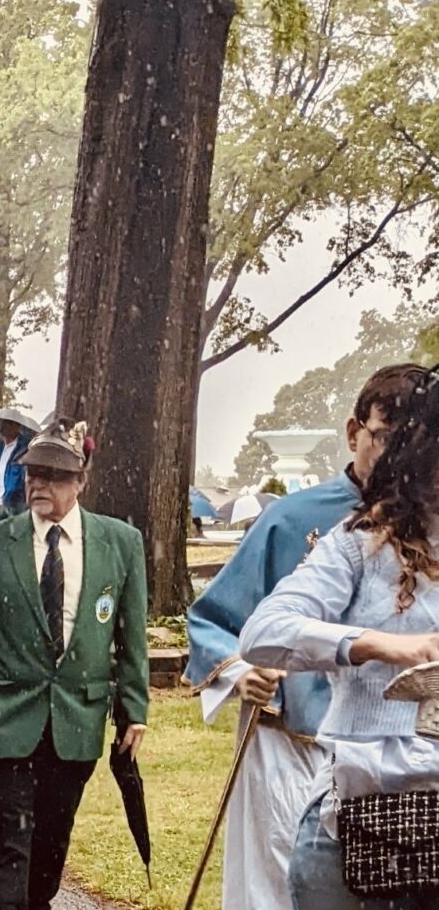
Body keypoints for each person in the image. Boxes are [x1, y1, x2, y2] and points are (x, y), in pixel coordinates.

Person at [185, 363, 429, 909]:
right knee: (278, 883)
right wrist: (243, 670)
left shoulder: (426, 527)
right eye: (384, 438)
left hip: (400, 770)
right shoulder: (295, 519)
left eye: (408, 441)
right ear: (354, 432)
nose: (395, 457)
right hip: (288, 742)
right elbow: (219, 619)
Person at [0, 420, 149, 910]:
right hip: (7, 719)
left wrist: (134, 709)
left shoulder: (120, 543)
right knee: (6, 846)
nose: (39, 483)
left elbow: (131, 635)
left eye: (55, 475)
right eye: (34, 472)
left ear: (81, 481)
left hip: (76, 720)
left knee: (50, 847)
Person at [0, 420, 30, 521]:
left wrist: (12, 492)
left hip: (16, 504)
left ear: (16, 427)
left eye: (7, 425)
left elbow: (24, 476)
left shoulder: (24, 449)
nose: (2, 429)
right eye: (2, 426)